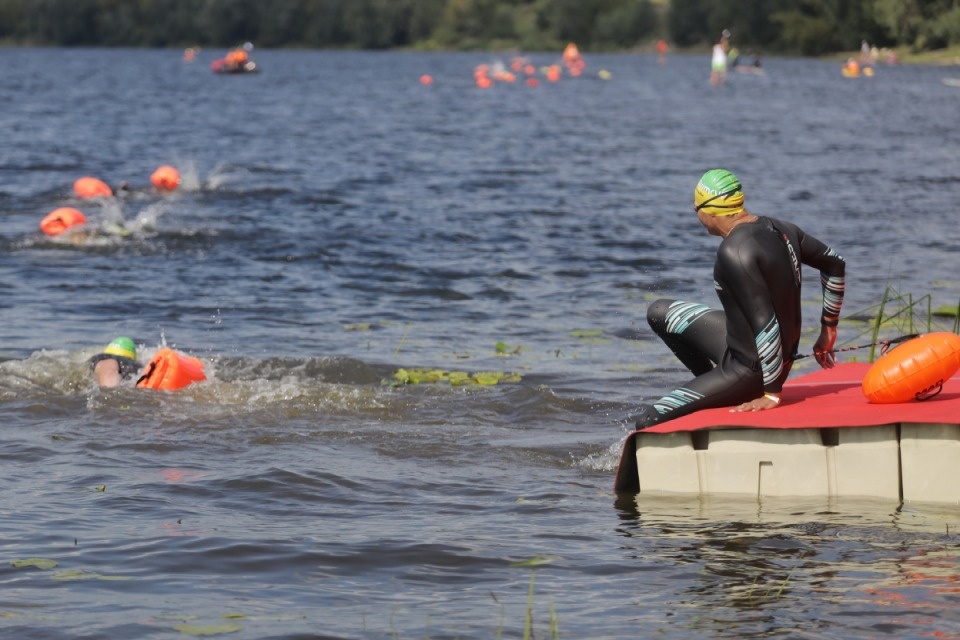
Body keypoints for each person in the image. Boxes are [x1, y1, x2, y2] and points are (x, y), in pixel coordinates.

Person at [632, 169, 846, 429]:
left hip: (750, 371)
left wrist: (771, 393)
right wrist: (829, 329)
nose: (697, 216)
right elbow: (835, 264)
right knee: (658, 312)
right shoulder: (781, 228)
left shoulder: (733, 252)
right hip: (745, 346)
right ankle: (712, 385)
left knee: (648, 419)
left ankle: (724, 386)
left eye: (695, 209)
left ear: (709, 210)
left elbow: (766, 324)